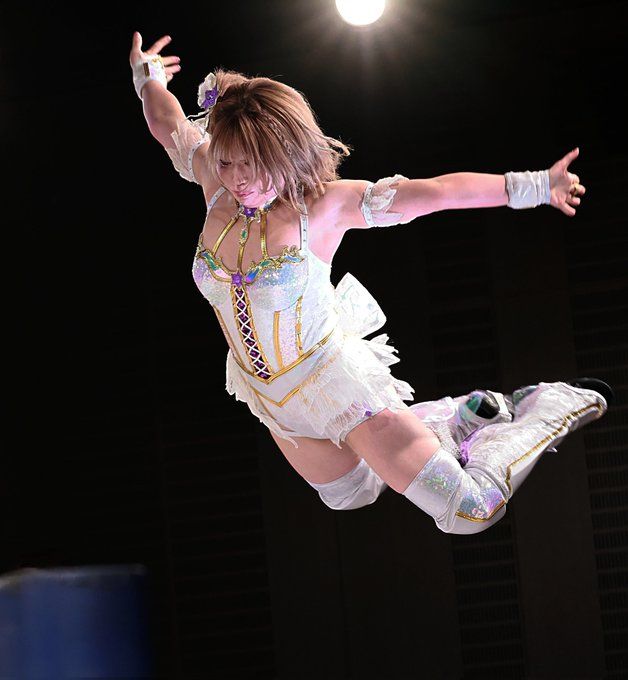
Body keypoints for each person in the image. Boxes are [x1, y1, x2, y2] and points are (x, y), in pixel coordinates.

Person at [129, 32, 612, 534]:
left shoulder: (322, 207)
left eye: (250, 164)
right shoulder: (215, 184)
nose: (238, 178)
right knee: (350, 493)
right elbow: (167, 122)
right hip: (270, 398)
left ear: (284, 152)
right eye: (227, 162)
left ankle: (549, 407)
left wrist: (535, 185)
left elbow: (436, 194)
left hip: (333, 383)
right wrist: (148, 77)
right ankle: (457, 418)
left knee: (470, 512)